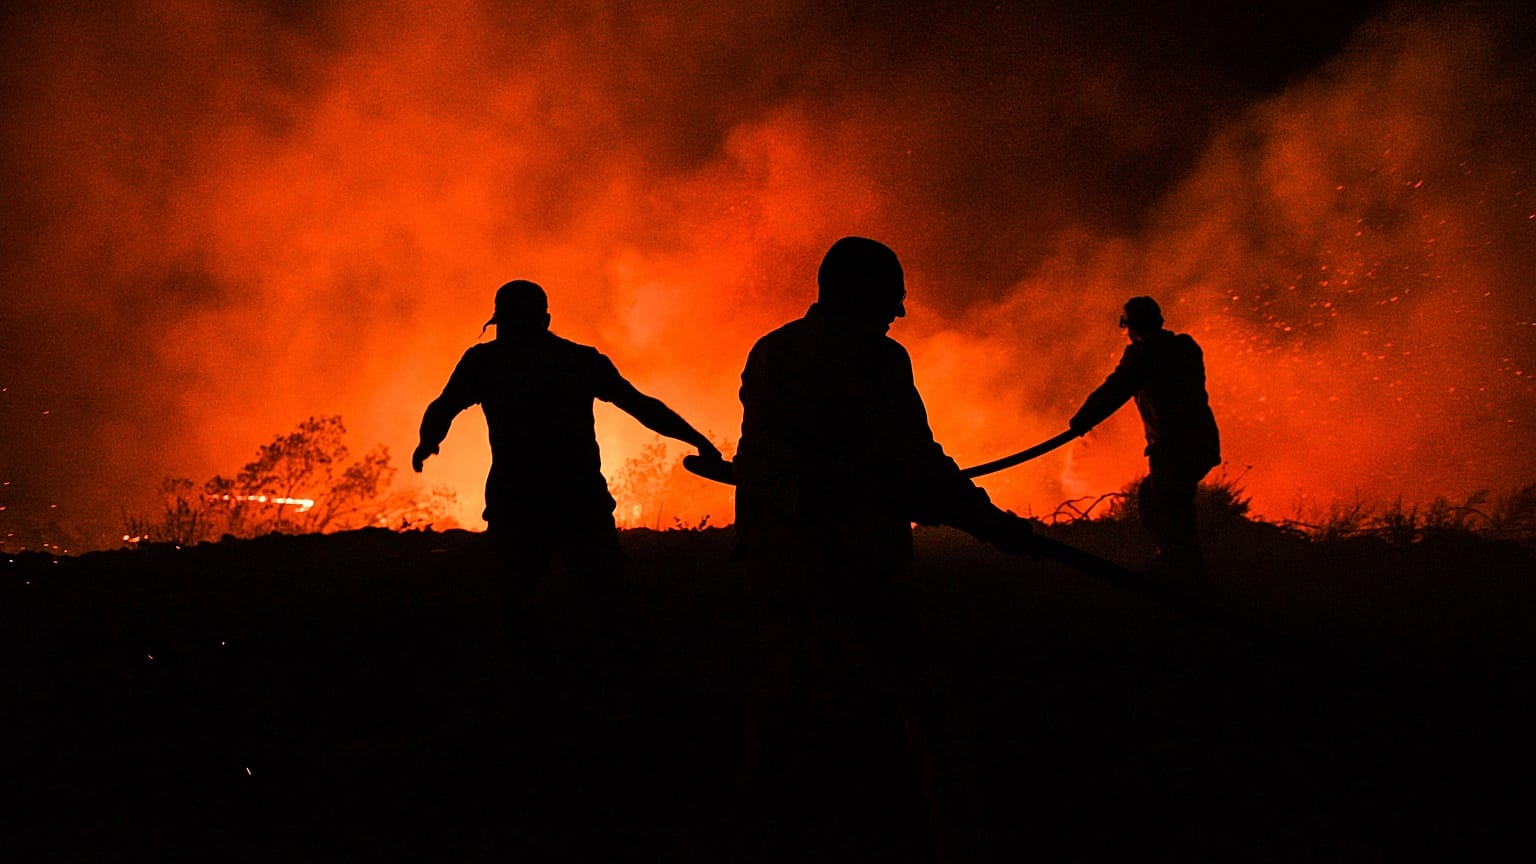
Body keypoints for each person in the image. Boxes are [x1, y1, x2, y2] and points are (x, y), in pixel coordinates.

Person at [731, 237, 1031, 863]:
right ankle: (939, 835)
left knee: (789, 691)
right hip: (853, 561)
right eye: (892, 294)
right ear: (862, 292)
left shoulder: (774, 351)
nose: (899, 308)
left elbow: (790, 460)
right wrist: (984, 519)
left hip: (779, 558)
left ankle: (759, 824)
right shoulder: (875, 359)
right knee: (910, 699)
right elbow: (910, 460)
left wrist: (970, 512)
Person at [412, 279, 720, 702]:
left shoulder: (486, 362)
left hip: (518, 505)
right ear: (546, 319)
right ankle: (631, 691)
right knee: (608, 599)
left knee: (517, 602)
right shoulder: (577, 361)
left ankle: (544, 691)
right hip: (578, 502)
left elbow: (441, 407)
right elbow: (641, 406)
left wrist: (429, 441)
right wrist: (696, 439)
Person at [1069, 296, 1221, 575]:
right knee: (1159, 500)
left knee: (1170, 509)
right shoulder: (1186, 348)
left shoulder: (1143, 354)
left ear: (1132, 327)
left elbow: (1115, 389)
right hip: (1202, 443)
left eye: (1126, 327)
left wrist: (1082, 420)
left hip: (1172, 448)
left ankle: (1182, 572)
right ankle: (1182, 566)